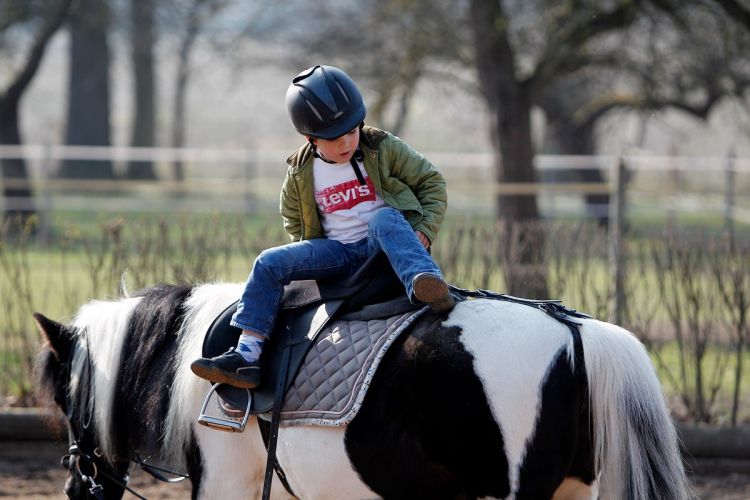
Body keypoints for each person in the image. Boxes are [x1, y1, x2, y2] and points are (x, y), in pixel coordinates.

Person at [191, 65, 453, 389]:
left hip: (383, 243)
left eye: (352, 132)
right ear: (310, 138)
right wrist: (307, 249)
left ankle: (425, 284)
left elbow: (432, 182)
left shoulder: (382, 147)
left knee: (383, 218)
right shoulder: (301, 171)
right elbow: (291, 214)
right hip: (337, 251)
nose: (346, 143)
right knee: (267, 262)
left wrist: (424, 229)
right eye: (334, 138)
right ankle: (247, 354)